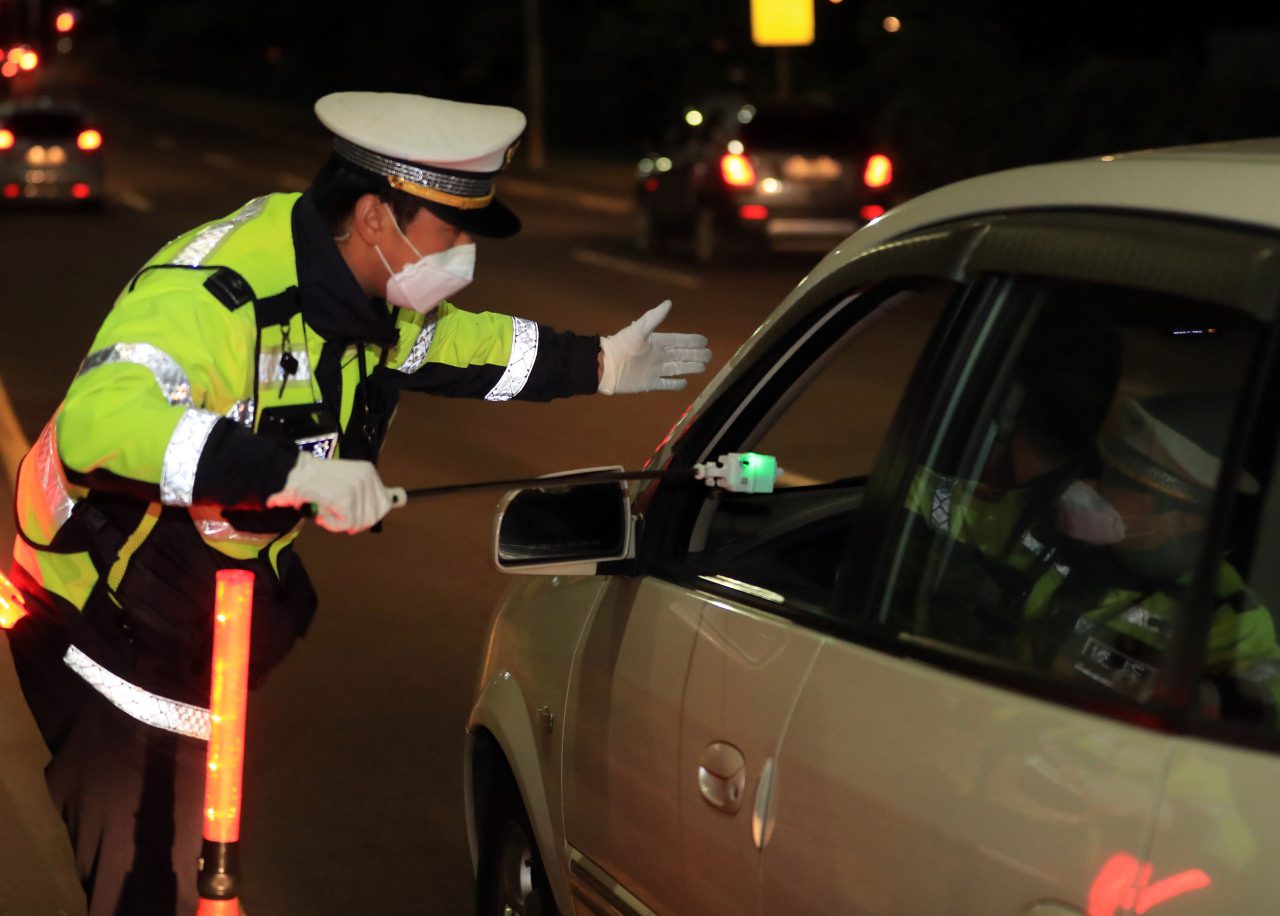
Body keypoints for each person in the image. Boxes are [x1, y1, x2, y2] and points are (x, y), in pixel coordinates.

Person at [1, 91, 712, 914]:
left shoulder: (366, 290)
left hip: (202, 600)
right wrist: (293, 475)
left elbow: (461, 346)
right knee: (154, 877)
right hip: (96, 606)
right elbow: (100, 425)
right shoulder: (214, 293)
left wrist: (599, 363)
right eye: (452, 234)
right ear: (376, 216)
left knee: (199, 860)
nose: (464, 257)